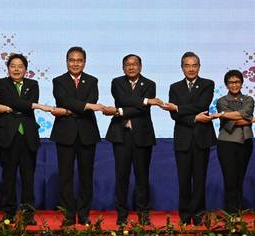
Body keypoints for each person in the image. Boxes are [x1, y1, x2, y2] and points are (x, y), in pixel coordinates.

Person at [0, 53, 53, 225]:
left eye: (20, 66)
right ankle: (9, 213)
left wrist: (18, 106)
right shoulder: (1, 83)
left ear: (26, 69)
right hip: (8, 136)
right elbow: (8, 100)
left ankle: (28, 214)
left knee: (28, 177)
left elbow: (18, 103)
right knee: (8, 176)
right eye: (13, 66)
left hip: (28, 136)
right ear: (8, 68)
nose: (16, 69)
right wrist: (35, 106)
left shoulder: (33, 84)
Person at [104, 54, 163, 225]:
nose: (131, 67)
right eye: (127, 65)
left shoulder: (150, 84)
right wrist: (146, 101)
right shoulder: (117, 82)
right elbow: (122, 100)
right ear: (123, 68)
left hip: (142, 136)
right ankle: (121, 215)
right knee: (121, 177)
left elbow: (141, 111)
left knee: (142, 177)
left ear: (140, 66)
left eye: (134, 64)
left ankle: (143, 215)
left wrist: (119, 111)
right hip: (121, 135)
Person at [50, 47, 104, 226]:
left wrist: (72, 109)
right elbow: (63, 100)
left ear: (84, 62)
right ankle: (68, 214)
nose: (75, 63)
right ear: (66, 62)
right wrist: (86, 106)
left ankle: (83, 214)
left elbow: (93, 100)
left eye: (79, 60)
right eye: (72, 60)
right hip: (65, 134)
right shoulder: (58, 81)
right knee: (65, 176)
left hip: (87, 133)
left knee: (86, 176)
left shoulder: (92, 80)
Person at [161, 52, 216, 225]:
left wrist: (178, 107)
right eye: (187, 65)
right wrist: (193, 118)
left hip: (202, 139)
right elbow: (174, 116)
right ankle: (185, 215)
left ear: (199, 67)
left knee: (200, 179)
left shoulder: (208, 84)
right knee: (184, 179)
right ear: (182, 67)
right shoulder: (174, 87)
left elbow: (202, 106)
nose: (191, 69)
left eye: (194, 65)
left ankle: (199, 214)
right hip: (182, 140)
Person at [213, 70, 253, 214]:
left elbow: (246, 113)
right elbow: (231, 123)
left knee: (240, 177)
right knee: (229, 177)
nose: (234, 85)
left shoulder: (249, 99)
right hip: (227, 143)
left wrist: (224, 114)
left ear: (242, 83)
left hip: (246, 142)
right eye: (231, 82)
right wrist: (249, 119)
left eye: (237, 82)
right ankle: (231, 212)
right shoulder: (222, 101)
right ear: (226, 84)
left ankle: (239, 210)